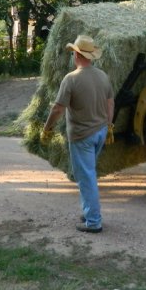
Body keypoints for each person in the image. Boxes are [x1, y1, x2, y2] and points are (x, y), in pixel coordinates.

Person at [41, 35, 114, 233]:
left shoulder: (71, 79)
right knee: (89, 173)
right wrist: (109, 125)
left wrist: (47, 129)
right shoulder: (103, 76)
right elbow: (110, 103)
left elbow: (58, 108)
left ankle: (93, 222)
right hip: (101, 132)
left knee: (86, 178)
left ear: (76, 54)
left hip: (82, 136)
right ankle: (89, 211)